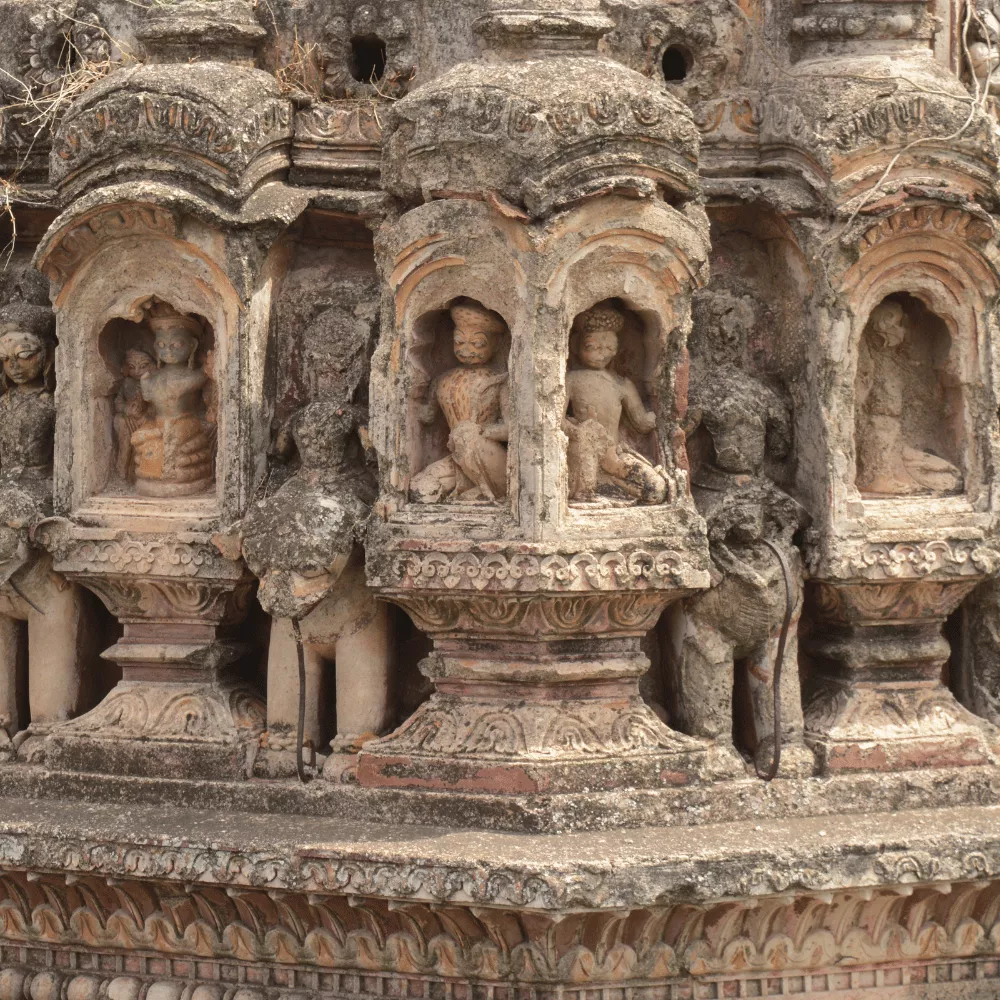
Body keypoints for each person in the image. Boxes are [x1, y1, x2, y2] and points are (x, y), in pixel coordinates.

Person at [563, 303, 669, 504]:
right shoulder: (572, 379)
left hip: (614, 453)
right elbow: (556, 419)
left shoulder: (621, 384)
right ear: (577, 346)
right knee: (586, 457)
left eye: (609, 347)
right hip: (584, 451)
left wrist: (661, 415)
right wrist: (579, 431)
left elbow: (641, 422)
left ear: (616, 350)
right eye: (592, 347)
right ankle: (588, 492)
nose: (601, 354)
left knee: (656, 489)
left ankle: (613, 489)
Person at [409, 298, 509, 503]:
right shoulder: (443, 380)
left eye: (477, 344)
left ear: (496, 344)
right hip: (457, 458)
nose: (466, 350)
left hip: (486, 456)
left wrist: (482, 433)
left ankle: (487, 491)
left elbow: (511, 428)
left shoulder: (499, 382)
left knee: (468, 437)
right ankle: (468, 490)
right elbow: (427, 415)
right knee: (421, 489)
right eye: (459, 342)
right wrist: (413, 391)